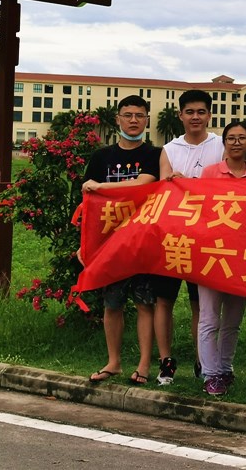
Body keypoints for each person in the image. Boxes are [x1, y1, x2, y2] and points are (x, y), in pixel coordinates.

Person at [83, 95, 162, 386]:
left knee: (144, 304)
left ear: (146, 120)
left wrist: (102, 186)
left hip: (143, 242)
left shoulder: (155, 154)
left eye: (139, 115)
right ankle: (113, 362)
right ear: (118, 119)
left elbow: (143, 183)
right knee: (112, 304)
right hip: (110, 244)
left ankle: (143, 365)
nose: (133, 120)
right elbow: (88, 204)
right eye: (127, 115)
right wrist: (84, 244)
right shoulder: (100, 157)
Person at [155, 90, 224, 386]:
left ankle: (202, 360)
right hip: (173, 237)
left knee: (201, 303)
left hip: (206, 238)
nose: (195, 117)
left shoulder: (221, 145)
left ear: (209, 115)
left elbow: (228, 188)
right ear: (180, 115)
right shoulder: (169, 149)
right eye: (190, 112)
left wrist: (191, 184)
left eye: (201, 112)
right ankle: (166, 361)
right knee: (164, 300)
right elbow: (164, 191)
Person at [196, 120, 246, 396]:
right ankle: (210, 374)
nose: (236, 142)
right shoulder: (210, 173)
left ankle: (225, 369)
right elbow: (200, 209)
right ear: (224, 143)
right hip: (212, 254)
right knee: (209, 318)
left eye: (242, 138)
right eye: (231, 138)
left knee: (233, 320)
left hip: (243, 257)